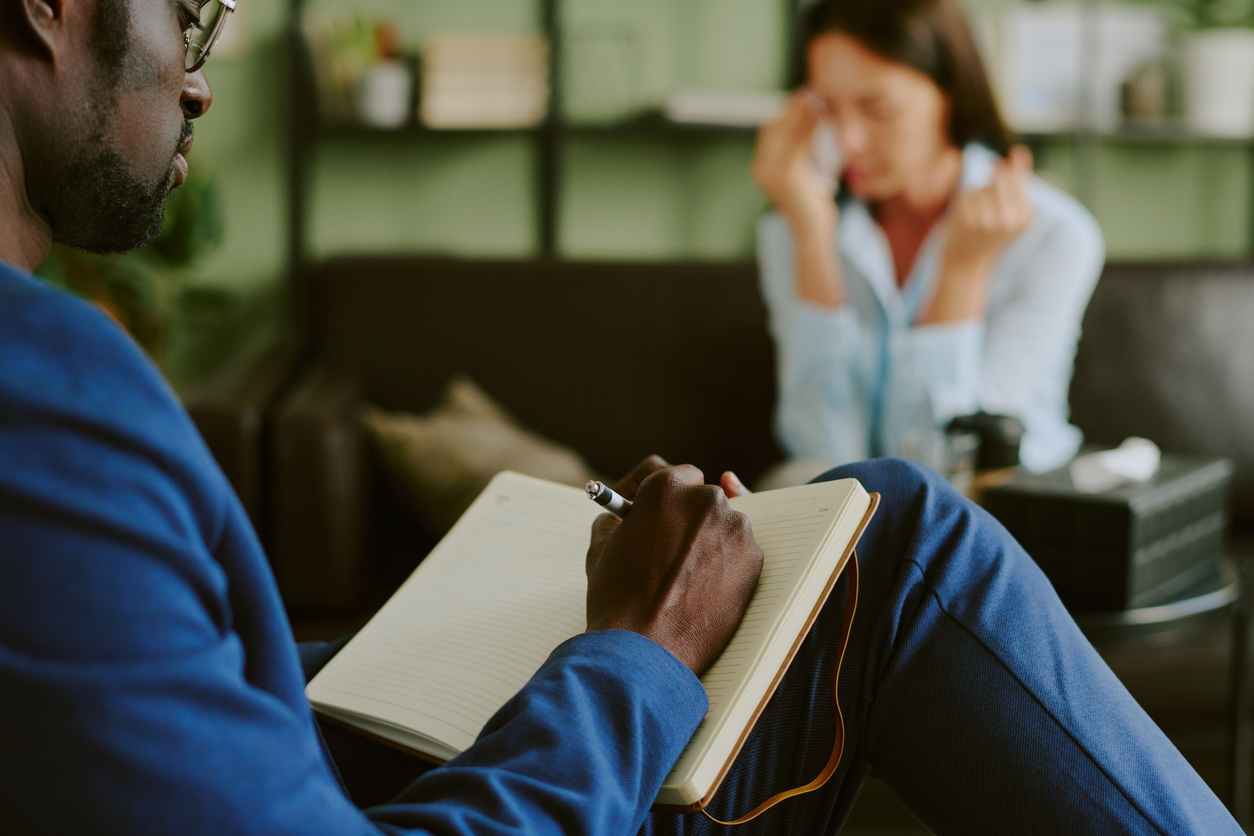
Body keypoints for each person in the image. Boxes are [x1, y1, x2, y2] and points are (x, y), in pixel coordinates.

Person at [0, 0, 1240, 833]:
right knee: (896, 527)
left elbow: (147, 714)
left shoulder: (1043, 230)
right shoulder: (49, 389)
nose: (203, 83)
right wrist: (636, 650)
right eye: (192, 13)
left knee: (881, 513)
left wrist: (373, 665)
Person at [752, 0, 1105, 475]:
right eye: (827, 109)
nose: (848, 140)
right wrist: (813, 238)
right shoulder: (794, 229)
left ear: (951, 96)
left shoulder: (1055, 238)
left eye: (877, 109)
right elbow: (821, 451)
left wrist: (962, 271)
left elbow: (952, 470)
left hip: (998, 510)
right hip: (864, 519)